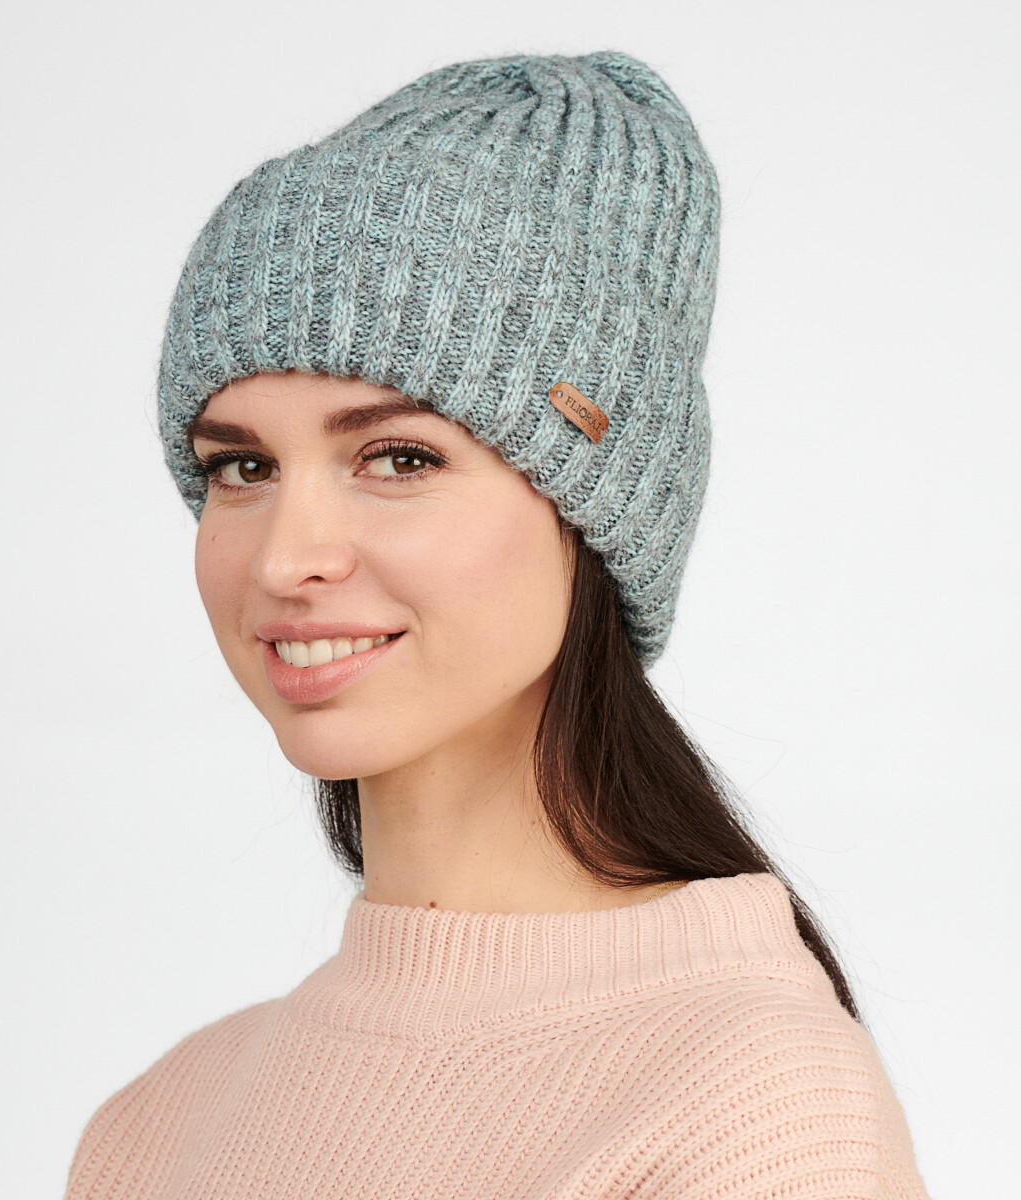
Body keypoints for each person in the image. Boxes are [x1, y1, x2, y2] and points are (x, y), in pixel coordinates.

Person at [63, 50, 931, 1199]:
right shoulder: (155, 1127)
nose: (283, 558)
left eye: (399, 457)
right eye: (243, 467)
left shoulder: (754, 1112)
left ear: (594, 511)